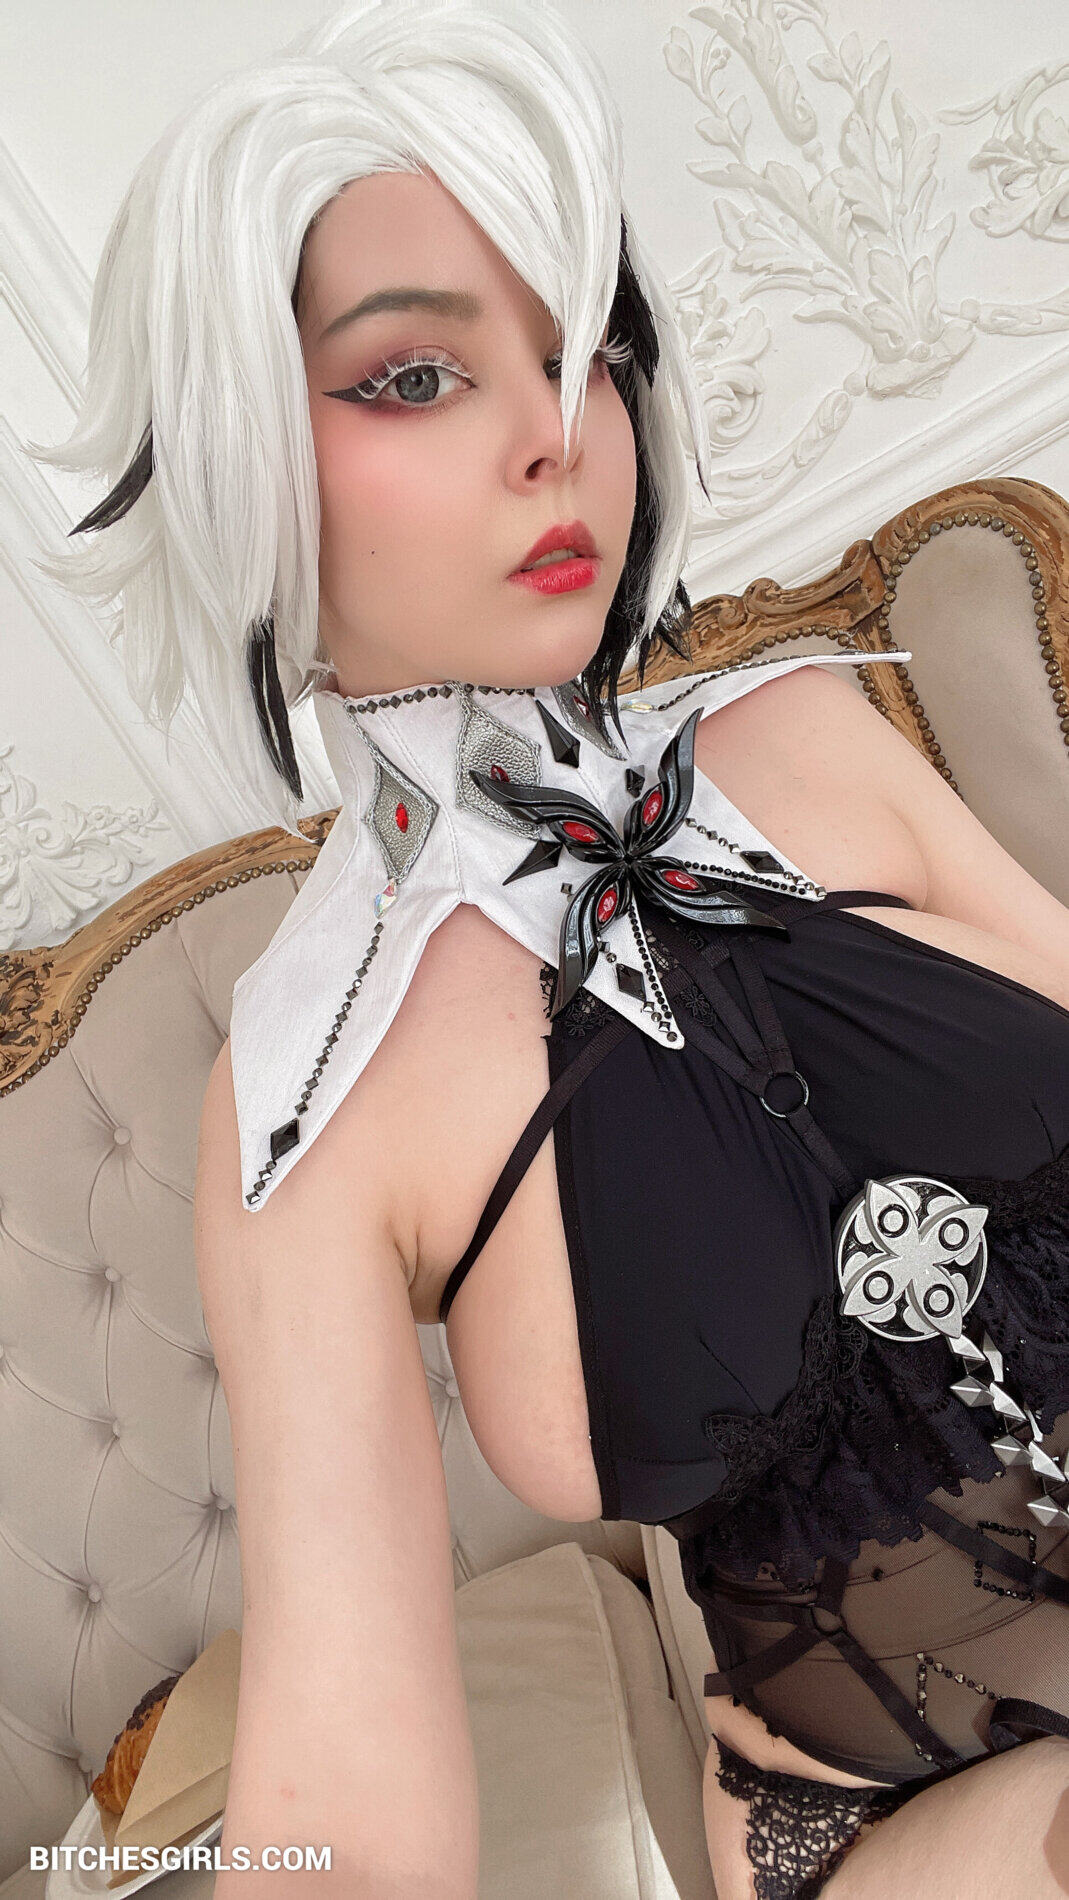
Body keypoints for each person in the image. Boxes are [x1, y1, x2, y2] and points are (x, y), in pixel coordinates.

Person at [32, 2, 1069, 1894]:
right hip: (906, 1817)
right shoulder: (306, 1112)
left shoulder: (805, 726)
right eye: (416, 375)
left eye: (590, 348)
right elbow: (346, 1806)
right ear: (242, 440)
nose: (558, 438)